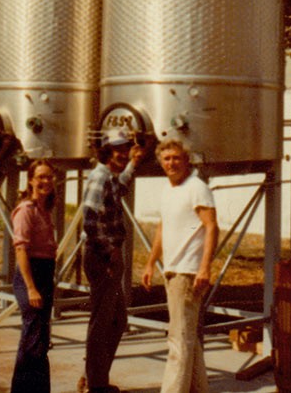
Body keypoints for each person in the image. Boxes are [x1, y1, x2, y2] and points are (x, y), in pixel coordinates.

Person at [141, 139, 219, 393]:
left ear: (187, 160)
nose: (171, 163)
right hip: (172, 271)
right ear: (160, 162)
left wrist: (204, 268)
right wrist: (151, 263)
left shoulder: (196, 188)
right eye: (166, 159)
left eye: (176, 158)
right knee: (187, 338)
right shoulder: (168, 190)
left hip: (188, 272)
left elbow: (211, 227)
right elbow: (163, 228)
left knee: (178, 341)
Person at [81, 129, 145, 393]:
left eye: (126, 148)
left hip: (108, 255)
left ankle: (94, 377)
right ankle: (96, 385)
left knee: (117, 319)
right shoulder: (99, 176)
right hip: (102, 256)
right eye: (118, 149)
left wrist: (133, 164)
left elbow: (120, 187)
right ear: (106, 151)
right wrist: (110, 251)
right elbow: (89, 219)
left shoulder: (110, 177)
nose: (122, 153)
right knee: (102, 322)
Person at [10, 159, 58, 393]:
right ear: (31, 180)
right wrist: (31, 288)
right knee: (32, 338)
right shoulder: (25, 211)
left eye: (49, 177)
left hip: (45, 272)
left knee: (40, 337)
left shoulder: (45, 209)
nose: (46, 181)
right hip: (31, 275)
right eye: (41, 177)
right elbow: (21, 250)